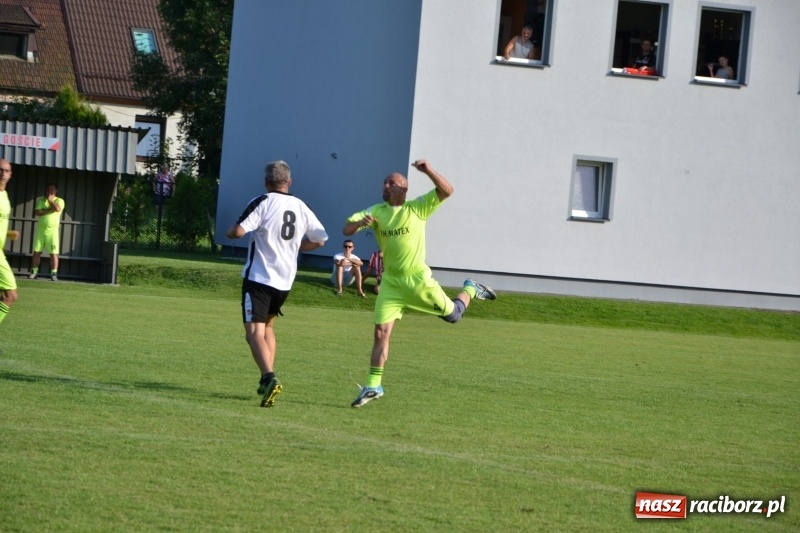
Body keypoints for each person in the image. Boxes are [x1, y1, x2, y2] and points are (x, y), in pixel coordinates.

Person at [343, 159, 496, 408]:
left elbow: (447, 191)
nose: (385, 185)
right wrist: (361, 224)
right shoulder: (376, 211)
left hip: (417, 280)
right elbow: (346, 228)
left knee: (453, 316)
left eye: (391, 182)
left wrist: (428, 171)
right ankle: (373, 386)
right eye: (385, 182)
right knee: (381, 333)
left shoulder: (418, 208)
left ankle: (470, 288)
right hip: (391, 283)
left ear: (403, 190)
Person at [226, 160, 328, 408]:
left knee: (253, 334)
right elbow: (321, 240)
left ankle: (268, 377)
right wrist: (294, 248)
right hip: (284, 282)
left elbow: (239, 232)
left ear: (266, 182)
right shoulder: (301, 206)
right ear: (289, 182)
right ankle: (266, 379)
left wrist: (230, 232)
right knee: (268, 328)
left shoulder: (262, 201)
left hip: (259, 278)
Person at [29, 183, 65, 281]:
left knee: (53, 253)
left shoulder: (59, 200)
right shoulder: (41, 200)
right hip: (41, 230)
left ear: (56, 191)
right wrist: (49, 210)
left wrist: (50, 201)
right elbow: (37, 212)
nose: (50, 191)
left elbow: (57, 209)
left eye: (52, 189)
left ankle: (53, 274)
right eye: (48, 189)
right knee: (36, 252)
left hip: (52, 231)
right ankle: (34, 272)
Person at [0, 159, 20, 326]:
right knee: (10, 295)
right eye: (0, 170)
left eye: (6, 171)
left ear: (10, 174)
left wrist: (7, 233)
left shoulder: (4, 196)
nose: (3, 174)